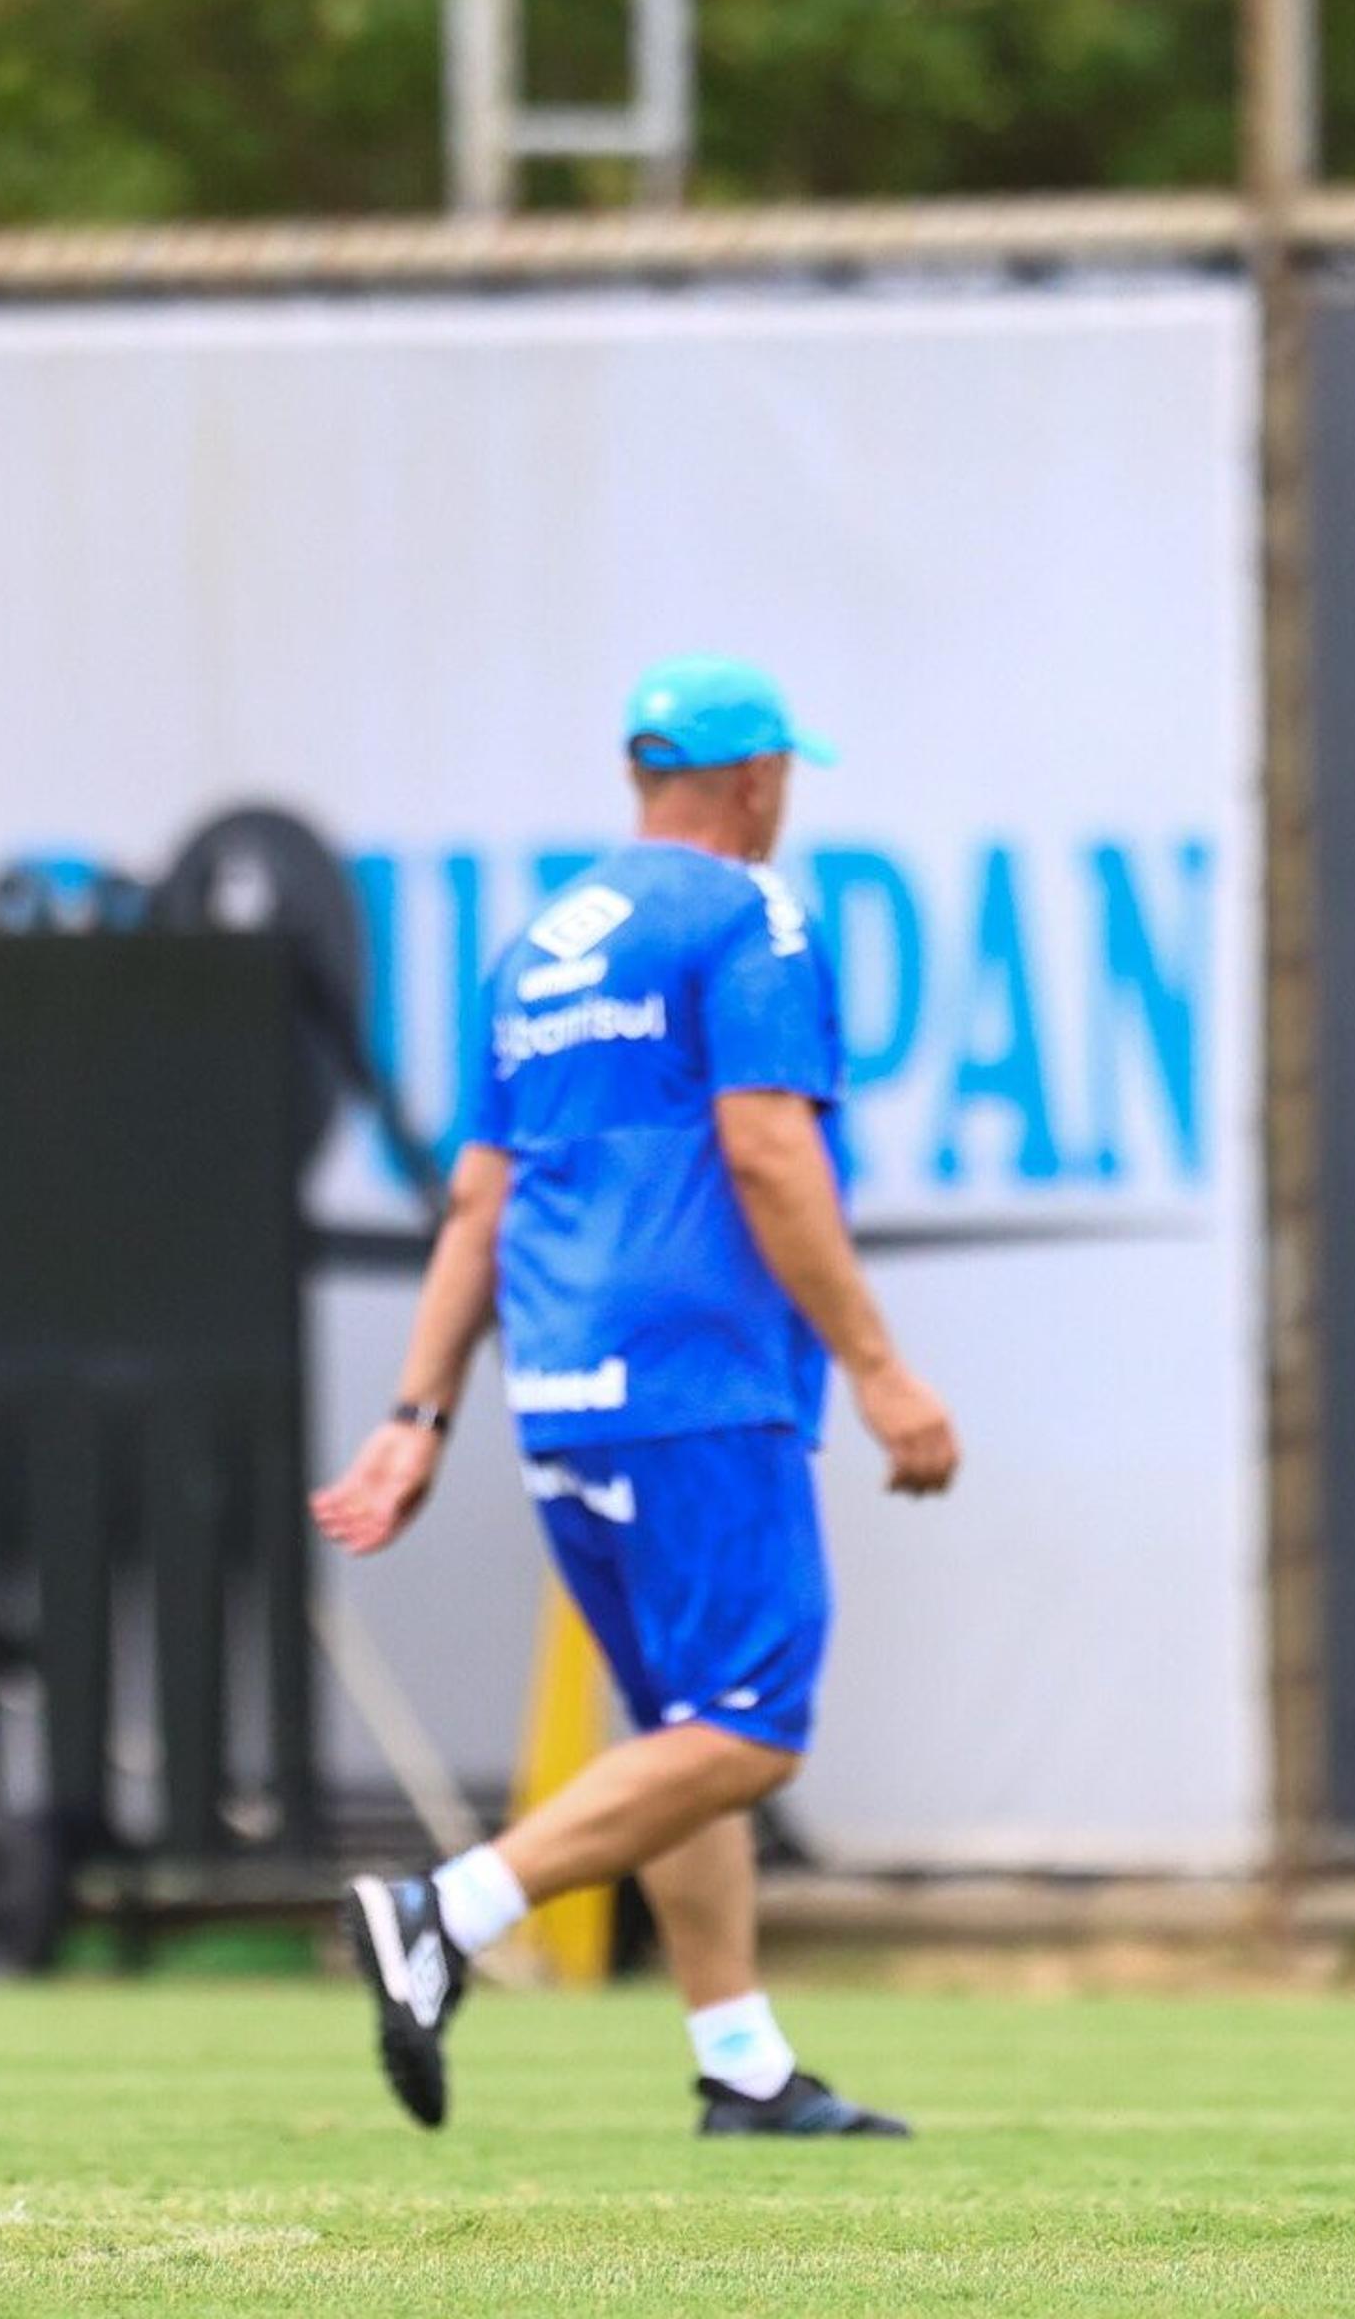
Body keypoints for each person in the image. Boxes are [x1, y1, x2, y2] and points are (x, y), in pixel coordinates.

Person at [312, 655, 960, 2138]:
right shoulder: (750, 911)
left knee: (683, 1728)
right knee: (752, 1728)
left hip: (562, 1392)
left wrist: (419, 1416)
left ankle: (739, 2063)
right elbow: (769, 1154)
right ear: (757, 780)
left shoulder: (536, 951)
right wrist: (880, 1370)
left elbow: (477, 1206)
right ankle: (446, 1911)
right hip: (697, 1378)